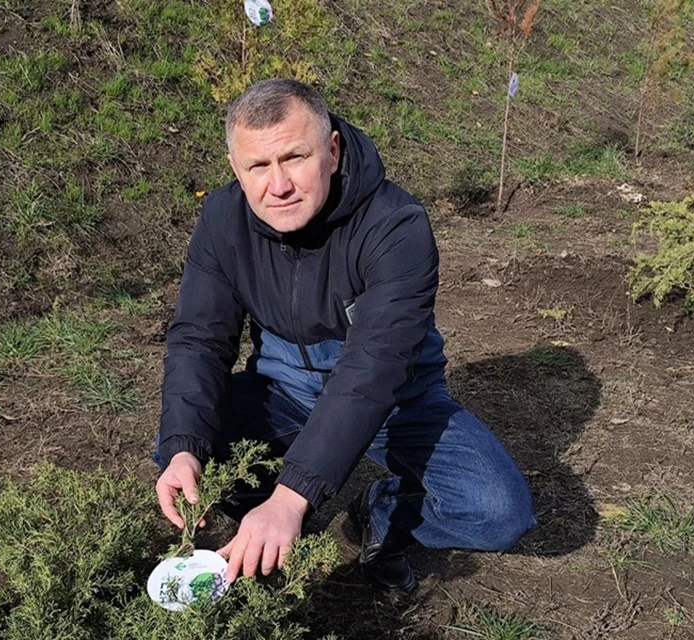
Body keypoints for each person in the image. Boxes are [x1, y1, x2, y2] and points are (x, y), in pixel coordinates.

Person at [154, 79, 536, 595]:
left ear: (331, 150)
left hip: (397, 398)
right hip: (283, 387)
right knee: (185, 439)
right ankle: (271, 521)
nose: (279, 184)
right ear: (236, 170)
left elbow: (373, 370)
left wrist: (295, 493)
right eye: (258, 167)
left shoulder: (395, 225)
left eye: (295, 157)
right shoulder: (224, 219)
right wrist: (183, 448)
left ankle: (377, 509)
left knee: (497, 513)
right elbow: (200, 339)